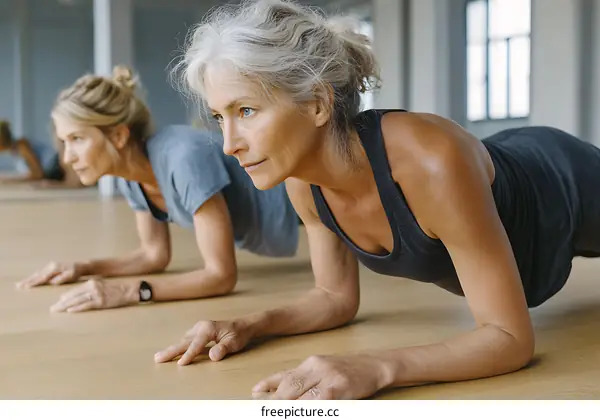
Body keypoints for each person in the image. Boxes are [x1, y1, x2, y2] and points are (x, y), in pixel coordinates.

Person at [154, 0, 600, 400]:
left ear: (316, 104)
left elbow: (508, 337)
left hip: (562, 179)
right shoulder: (302, 183)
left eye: (246, 111)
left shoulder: (431, 163)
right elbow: (333, 297)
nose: (229, 144)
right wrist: (249, 325)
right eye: (219, 117)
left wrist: (376, 366)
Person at [15, 65, 300, 313]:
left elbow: (221, 276)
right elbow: (154, 254)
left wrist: (128, 292)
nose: (67, 157)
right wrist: (83, 268)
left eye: (77, 139)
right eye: (65, 142)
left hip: (310, 197)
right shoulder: (132, 176)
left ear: (118, 135)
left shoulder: (183, 158)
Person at [0, 119, 82, 188]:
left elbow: (37, 174)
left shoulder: (22, 146)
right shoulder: (15, 150)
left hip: (55, 166)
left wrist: (12, 180)